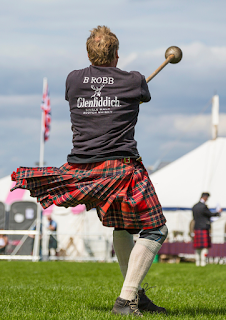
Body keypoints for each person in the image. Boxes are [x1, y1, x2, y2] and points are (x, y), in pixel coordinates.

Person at [11, 25, 168, 317]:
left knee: (123, 227)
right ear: (117, 55)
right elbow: (141, 95)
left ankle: (135, 296)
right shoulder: (134, 80)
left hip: (82, 168)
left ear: (88, 53)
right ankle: (125, 301)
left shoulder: (73, 80)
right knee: (157, 229)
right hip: (120, 168)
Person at [192, 192, 222, 267]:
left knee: (197, 246)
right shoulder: (203, 206)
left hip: (196, 227)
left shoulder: (194, 206)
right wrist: (218, 213)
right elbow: (210, 214)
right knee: (205, 246)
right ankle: (203, 262)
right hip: (204, 228)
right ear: (205, 197)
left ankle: (197, 262)